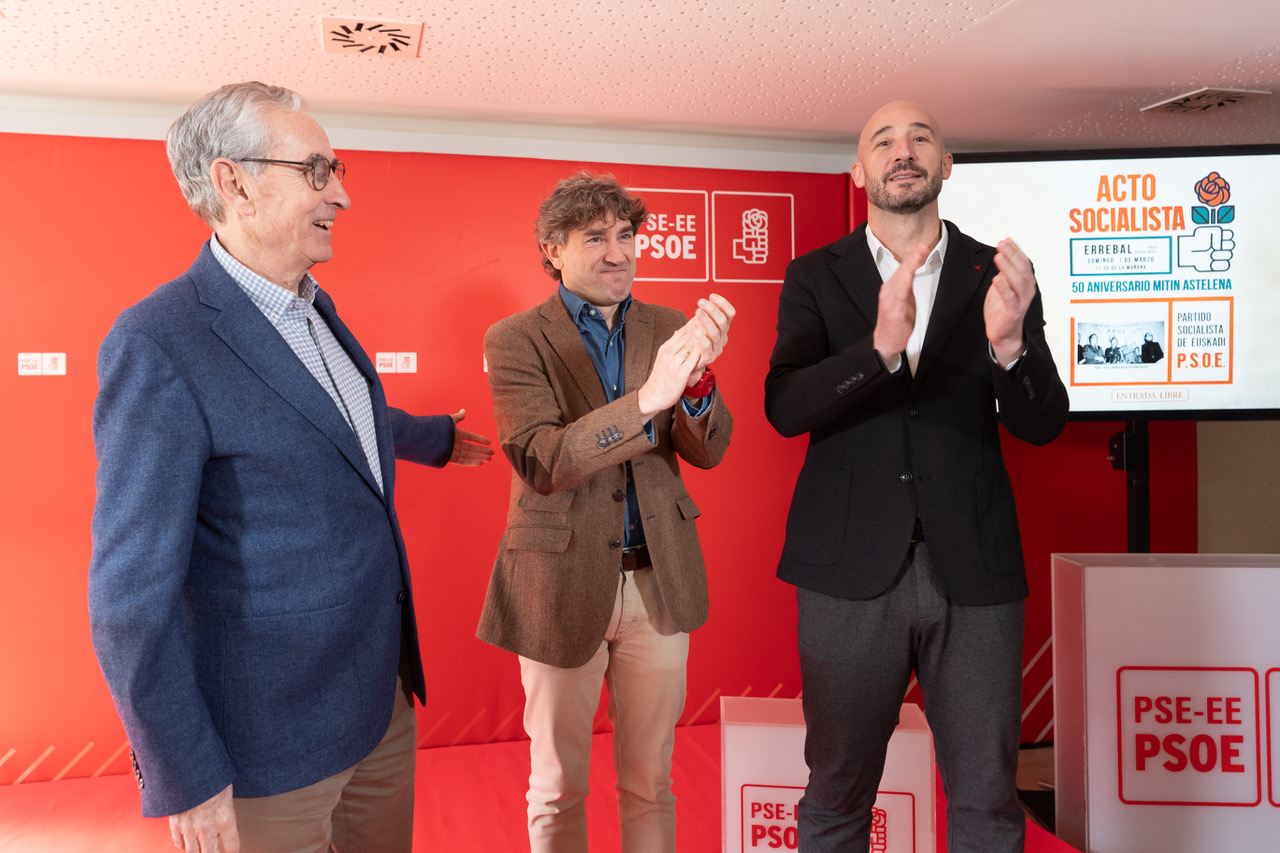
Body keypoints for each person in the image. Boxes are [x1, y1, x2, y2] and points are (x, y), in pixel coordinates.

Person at [88, 81, 493, 853]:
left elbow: (331, 424)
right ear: (233, 183)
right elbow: (127, 598)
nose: (340, 192)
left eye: (336, 169)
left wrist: (434, 438)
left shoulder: (313, 308)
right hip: (266, 747)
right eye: (315, 170)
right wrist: (185, 771)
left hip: (378, 700)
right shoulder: (158, 341)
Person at [764, 100, 1068, 853]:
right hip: (848, 571)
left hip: (975, 572)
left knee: (989, 800)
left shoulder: (996, 276)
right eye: (884, 141)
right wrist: (879, 351)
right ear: (860, 170)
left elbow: (1043, 421)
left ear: (945, 165)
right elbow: (785, 407)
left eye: (921, 138)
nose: (905, 151)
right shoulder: (814, 276)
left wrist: (1009, 347)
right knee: (835, 793)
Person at [478, 172, 734, 852]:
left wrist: (699, 383)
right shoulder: (515, 338)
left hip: (658, 579)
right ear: (552, 249)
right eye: (596, 237)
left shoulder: (668, 327)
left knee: (652, 780)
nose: (618, 252)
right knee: (558, 783)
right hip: (559, 583)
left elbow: (705, 450)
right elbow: (542, 460)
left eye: (626, 235)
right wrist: (650, 398)